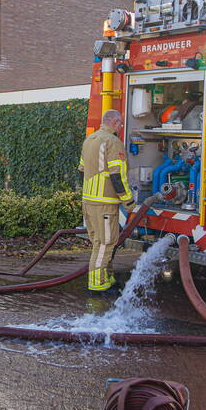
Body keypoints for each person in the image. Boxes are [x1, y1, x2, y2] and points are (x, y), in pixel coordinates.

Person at [79, 109, 135, 293]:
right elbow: (117, 176)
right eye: (120, 124)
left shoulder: (90, 139)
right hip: (104, 204)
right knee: (105, 244)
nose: (121, 127)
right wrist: (128, 201)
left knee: (100, 242)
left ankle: (107, 279)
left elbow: (82, 169)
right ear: (115, 122)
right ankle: (97, 286)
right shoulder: (113, 141)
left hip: (89, 202)